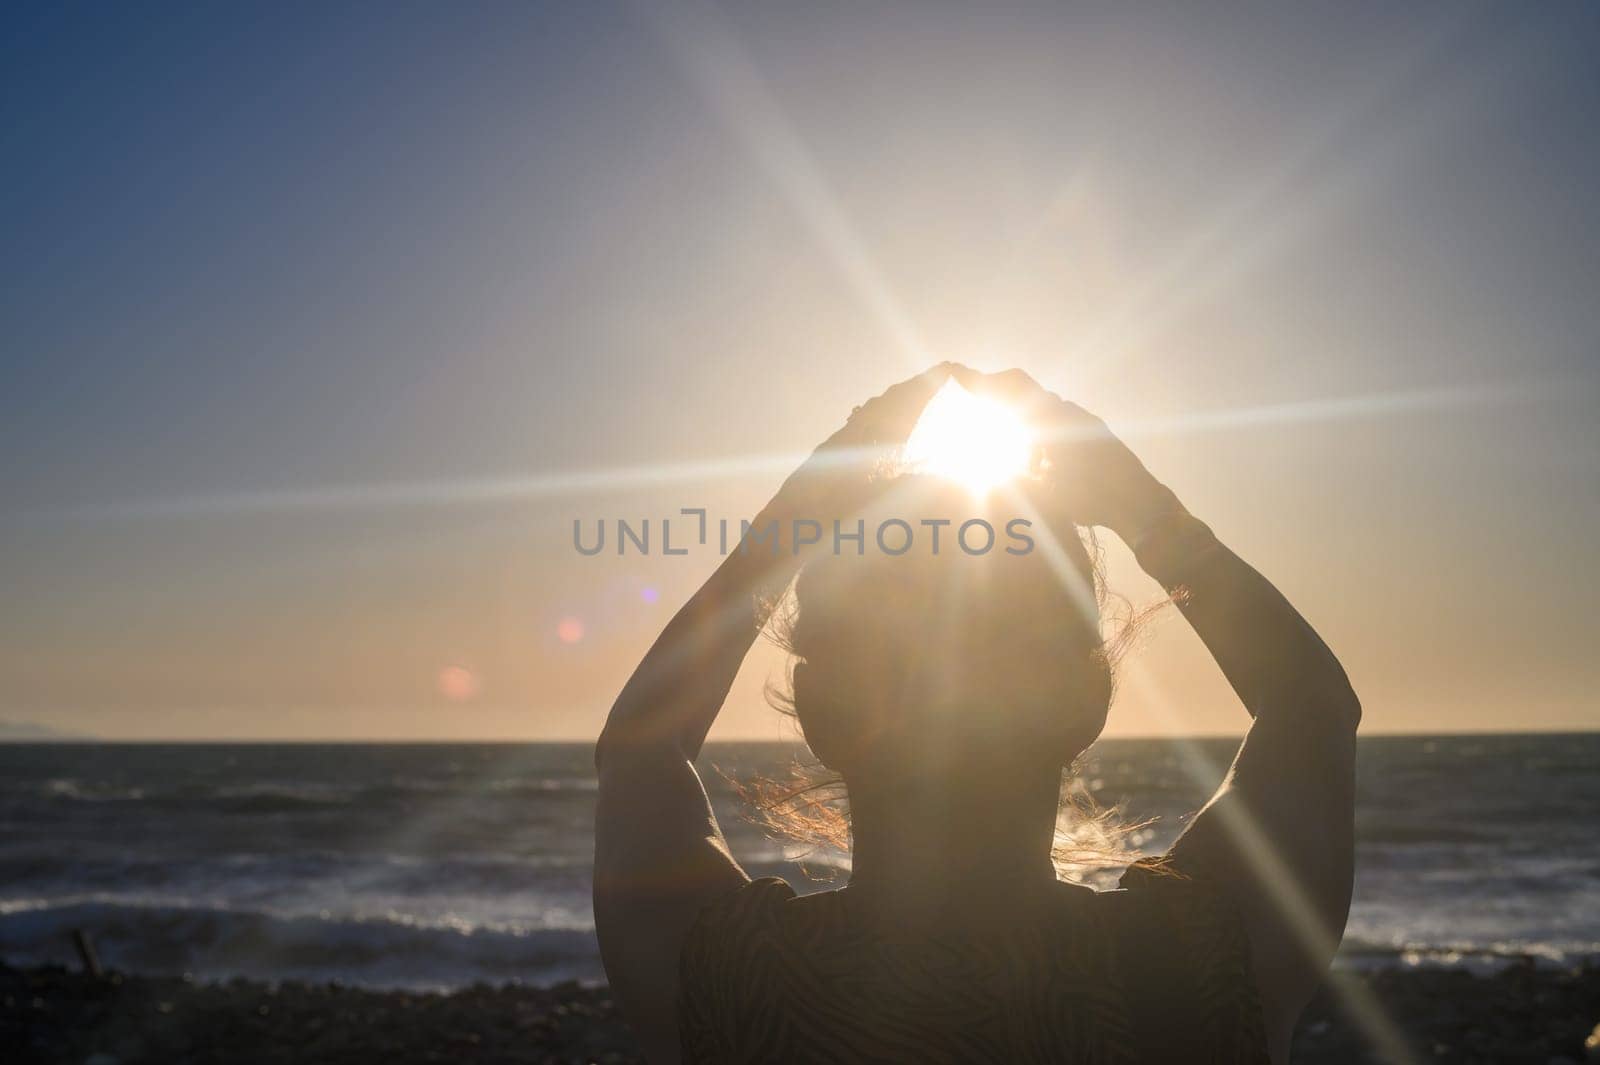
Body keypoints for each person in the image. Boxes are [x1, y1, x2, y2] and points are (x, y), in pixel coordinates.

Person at [593, 365, 1360, 1064]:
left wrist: (788, 527)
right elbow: (1311, 709)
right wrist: (1150, 516)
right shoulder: (1198, 964)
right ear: (1089, 702)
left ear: (820, 713)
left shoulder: (736, 981)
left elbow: (641, 750)